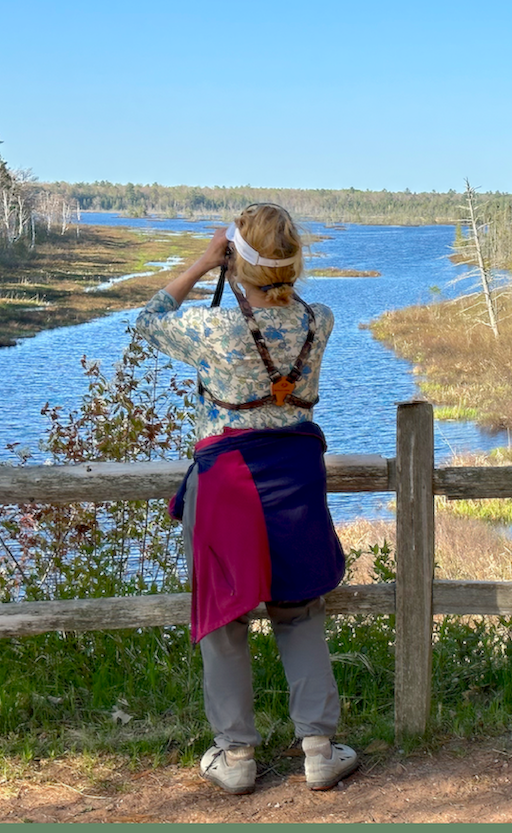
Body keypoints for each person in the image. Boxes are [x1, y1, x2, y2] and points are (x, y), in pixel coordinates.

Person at [136, 203, 359, 795]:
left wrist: (205, 262)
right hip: (296, 479)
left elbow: (150, 319)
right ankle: (319, 749)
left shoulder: (214, 330)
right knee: (299, 612)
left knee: (224, 618)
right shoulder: (321, 320)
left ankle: (235, 757)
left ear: (239, 258)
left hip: (227, 484)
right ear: (295, 260)